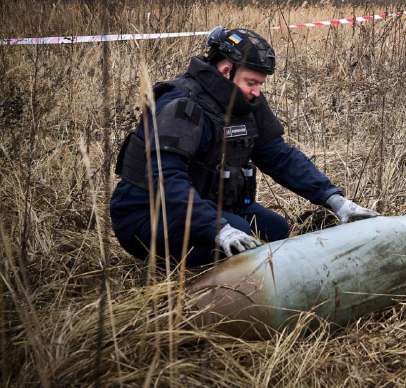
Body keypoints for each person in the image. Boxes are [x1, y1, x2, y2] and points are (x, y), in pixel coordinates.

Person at [111, 26, 378, 266]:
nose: (257, 92)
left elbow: (279, 156)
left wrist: (335, 201)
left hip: (209, 205)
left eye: (260, 84)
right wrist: (219, 228)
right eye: (251, 82)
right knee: (242, 238)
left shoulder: (246, 103)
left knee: (275, 231)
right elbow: (165, 179)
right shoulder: (182, 104)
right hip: (146, 214)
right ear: (227, 71)